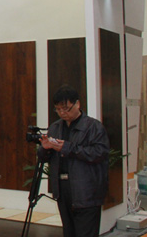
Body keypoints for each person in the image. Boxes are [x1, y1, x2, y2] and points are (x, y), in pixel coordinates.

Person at [37, 85, 109, 237]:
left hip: (86, 190)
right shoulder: (55, 127)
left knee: (85, 232)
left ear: (77, 104)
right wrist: (45, 149)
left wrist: (68, 148)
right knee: (68, 231)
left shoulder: (93, 127)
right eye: (58, 109)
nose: (62, 113)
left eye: (66, 109)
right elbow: (44, 158)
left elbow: (100, 153)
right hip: (63, 189)